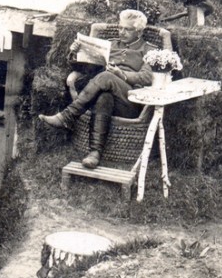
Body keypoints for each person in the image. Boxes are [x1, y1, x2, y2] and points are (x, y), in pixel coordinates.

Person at [38, 9, 155, 169]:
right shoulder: (111, 44)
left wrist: (120, 74)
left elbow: (146, 78)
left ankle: (67, 116)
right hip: (107, 96)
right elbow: (85, 68)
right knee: (103, 97)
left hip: (131, 102)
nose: (122, 32)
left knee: (107, 76)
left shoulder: (148, 50)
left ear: (139, 31)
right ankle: (94, 153)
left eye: (127, 29)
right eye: (120, 27)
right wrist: (75, 52)